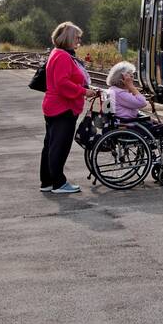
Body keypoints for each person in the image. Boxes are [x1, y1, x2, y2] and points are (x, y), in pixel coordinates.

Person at [105, 61, 163, 179]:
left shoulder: (114, 90)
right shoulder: (120, 93)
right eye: (130, 76)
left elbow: (129, 110)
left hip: (129, 124)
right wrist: (131, 87)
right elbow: (142, 102)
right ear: (122, 78)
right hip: (132, 128)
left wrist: (147, 118)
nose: (133, 78)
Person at [41, 21, 100, 194]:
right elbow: (62, 83)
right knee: (60, 146)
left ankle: (47, 181)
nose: (78, 40)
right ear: (68, 37)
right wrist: (84, 91)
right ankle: (59, 183)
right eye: (76, 37)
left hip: (54, 106)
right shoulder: (63, 56)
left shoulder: (57, 53)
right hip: (62, 108)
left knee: (50, 146)